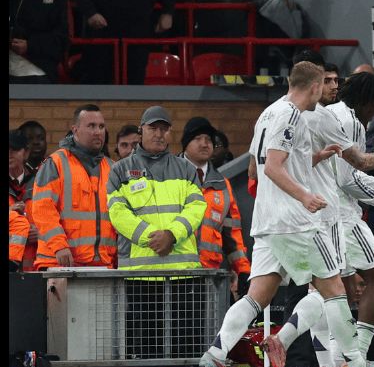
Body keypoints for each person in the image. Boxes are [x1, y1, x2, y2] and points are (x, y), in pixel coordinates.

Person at [202, 63, 374, 367]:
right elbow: (274, 167)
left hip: (266, 220)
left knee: (258, 295)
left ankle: (214, 354)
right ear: (315, 86)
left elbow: (258, 167)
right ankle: (356, 365)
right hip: (296, 221)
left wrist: (314, 158)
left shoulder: (268, 114)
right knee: (334, 289)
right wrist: (304, 196)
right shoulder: (292, 115)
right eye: (325, 84)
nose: (329, 91)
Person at [105, 106, 204, 285]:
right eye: (153, 128)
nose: (159, 134)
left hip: (183, 272)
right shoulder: (120, 170)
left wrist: (171, 235)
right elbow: (118, 213)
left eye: (164, 129)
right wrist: (154, 239)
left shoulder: (186, 169)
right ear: (141, 131)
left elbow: (196, 208)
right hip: (139, 274)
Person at [28, 104, 114, 269]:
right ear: (75, 130)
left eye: (101, 126)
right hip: (58, 262)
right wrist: (59, 246)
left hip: (102, 265)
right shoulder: (56, 163)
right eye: (91, 126)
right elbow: (43, 209)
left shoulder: (111, 167)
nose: (98, 132)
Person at [179, 117, 248, 277]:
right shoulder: (168, 176)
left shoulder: (223, 185)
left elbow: (232, 234)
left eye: (208, 139)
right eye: (198, 138)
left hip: (209, 275)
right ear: (186, 143)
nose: (204, 144)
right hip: (175, 273)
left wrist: (243, 270)